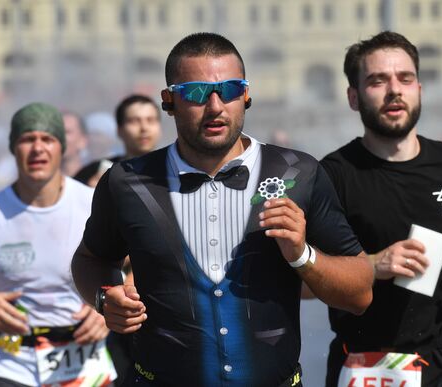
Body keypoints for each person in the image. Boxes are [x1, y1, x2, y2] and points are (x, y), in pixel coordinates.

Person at [71, 32, 374, 386]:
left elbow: (360, 294)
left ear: (246, 96)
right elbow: (90, 259)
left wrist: (302, 255)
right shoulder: (127, 181)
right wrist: (105, 297)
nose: (215, 106)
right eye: (196, 94)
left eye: (229, 90)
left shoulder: (298, 173)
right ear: (169, 102)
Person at [320, 31, 442, 387]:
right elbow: (304, 278)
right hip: (363, 364)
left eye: (405, 78)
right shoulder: (331, 176)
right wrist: (372, 266)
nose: (394, 89)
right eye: (377, 80)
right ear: (353, 97)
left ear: (419, 89)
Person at [0, 102, 115, 387]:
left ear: (62, 147)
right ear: (13, 147)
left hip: (87, 369)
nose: (37, 148)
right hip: (12, 366)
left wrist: (108, 309)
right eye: (27, 139)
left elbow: (141, 268)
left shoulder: (93, 205)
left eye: (47, 139)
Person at [75, 95, 162, 187]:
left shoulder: (173, 168)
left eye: (150, 120)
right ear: (119, 130)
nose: (144, 128)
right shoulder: (95, 173)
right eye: (134, 121)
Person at [61, 110, 89, 177]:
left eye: (67, 132)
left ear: (83, 140)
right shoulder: (39, 181)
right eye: (56, 132)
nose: (60, 137)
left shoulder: (93, 181)